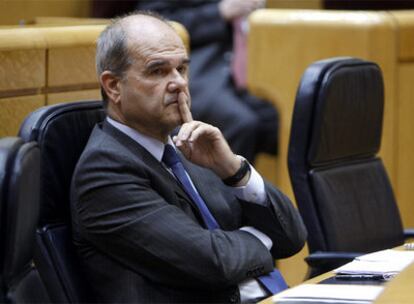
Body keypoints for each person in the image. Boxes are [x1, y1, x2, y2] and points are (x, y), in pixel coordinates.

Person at [71, 11, 306, 303]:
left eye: (181, 69)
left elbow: (293, 236)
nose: (178, 83)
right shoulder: (105, 171)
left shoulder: (189, 146)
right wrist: (262, 239)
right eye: (158, 71)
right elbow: (214, 262)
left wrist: (234, 170)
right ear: (113, 86)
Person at [134, 0, 279, 164]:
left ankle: (264, 188)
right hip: (195, 70)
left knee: (283, 122)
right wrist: (219, 12)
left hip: (242, 73)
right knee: (241, 123)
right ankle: (226, 185)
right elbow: (151, 25)